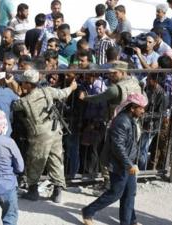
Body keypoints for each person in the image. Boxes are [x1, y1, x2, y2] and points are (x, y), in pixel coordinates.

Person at [82, 93, 147, 225]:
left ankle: (128, 221)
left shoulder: (130, 120)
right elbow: (118, 147)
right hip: (119, 164)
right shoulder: (122, 121)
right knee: (115, 193)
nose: (143, 111)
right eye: (140, 108)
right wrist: (129, 164)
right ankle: (88, 211)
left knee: (129, 193)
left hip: (128, 164)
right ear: (132, 108)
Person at [13, 69, 78, 203]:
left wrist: (12, 89)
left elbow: (14, 106)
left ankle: (32, 191)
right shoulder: (47, 90)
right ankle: (57, 192)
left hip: (40, 135)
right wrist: (71, 87)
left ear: (28, 84)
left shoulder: (25, 101)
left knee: (36, 161)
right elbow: (63, 93)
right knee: (56, 160)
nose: (21, 84)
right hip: (55, 131)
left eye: (23, 82)